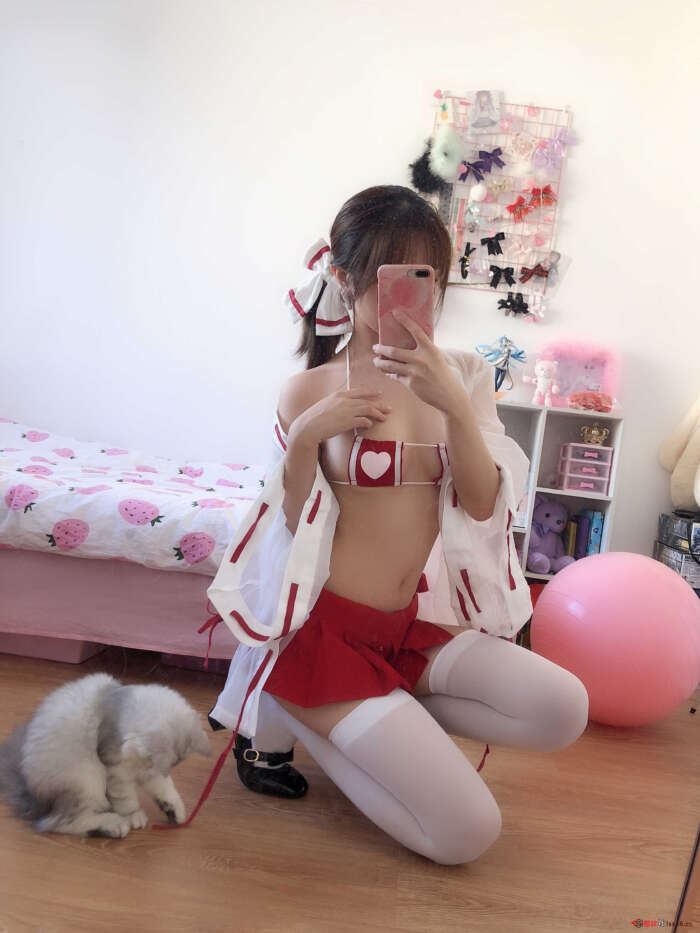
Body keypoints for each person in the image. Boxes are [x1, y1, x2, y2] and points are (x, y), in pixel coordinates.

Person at [206, 185, 589, 865]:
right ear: (344, 277)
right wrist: (305, 439)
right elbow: (292, 528)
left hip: (404, 631)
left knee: (562, 707)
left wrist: (455, 407)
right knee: (466, 833)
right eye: (395, 276)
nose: (415, 296)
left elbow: (482, 504)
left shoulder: (464, 373)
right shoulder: (310, 389)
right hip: (323, 639)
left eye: (428, 276)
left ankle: (363, 717)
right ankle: (292, 701)